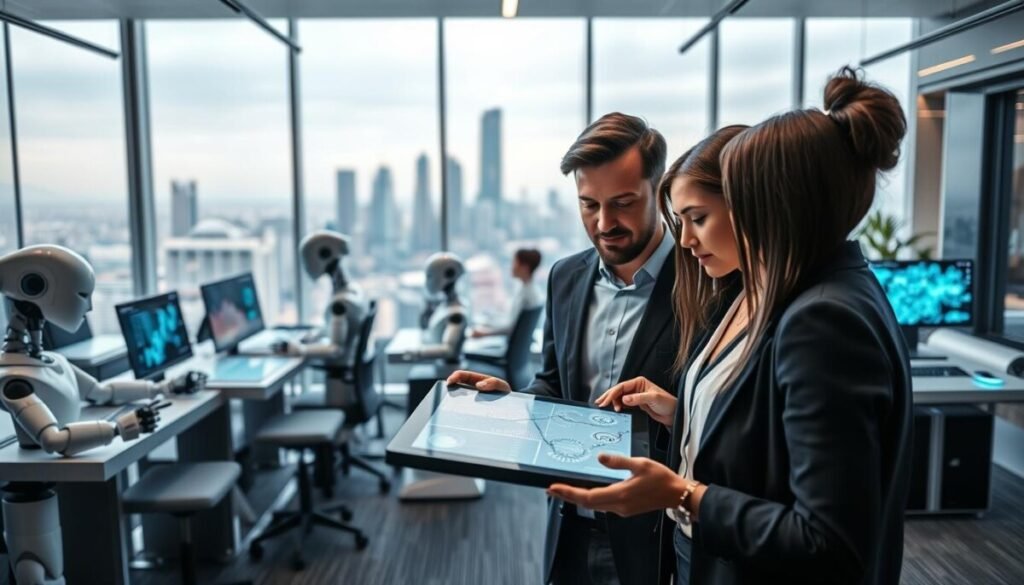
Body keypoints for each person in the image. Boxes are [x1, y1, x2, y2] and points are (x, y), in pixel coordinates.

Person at [548, 66, 914, 585]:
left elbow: (831, 542)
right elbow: (771, 436)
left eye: (707, 214)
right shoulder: (788, 292)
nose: (690, 238)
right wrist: (680, 412)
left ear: (774, 204)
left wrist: (681, 493)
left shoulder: (823, 317)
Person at [448, 112, 681, 585]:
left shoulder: (702, 281)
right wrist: (511, 401)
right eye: (588, 204)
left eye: (623, 203)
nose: (604, 223)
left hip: (654, 534)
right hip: (567, 517)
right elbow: (554, 382)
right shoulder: (565, 277)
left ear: (660, 192)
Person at [470, 248, 543, 338]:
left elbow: (512, 328)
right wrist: (489, 323)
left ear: (525, 268)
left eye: (515, 263)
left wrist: (485, 333)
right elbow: (512, 321)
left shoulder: (528, 295)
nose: (512, 267)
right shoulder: (527, 289)